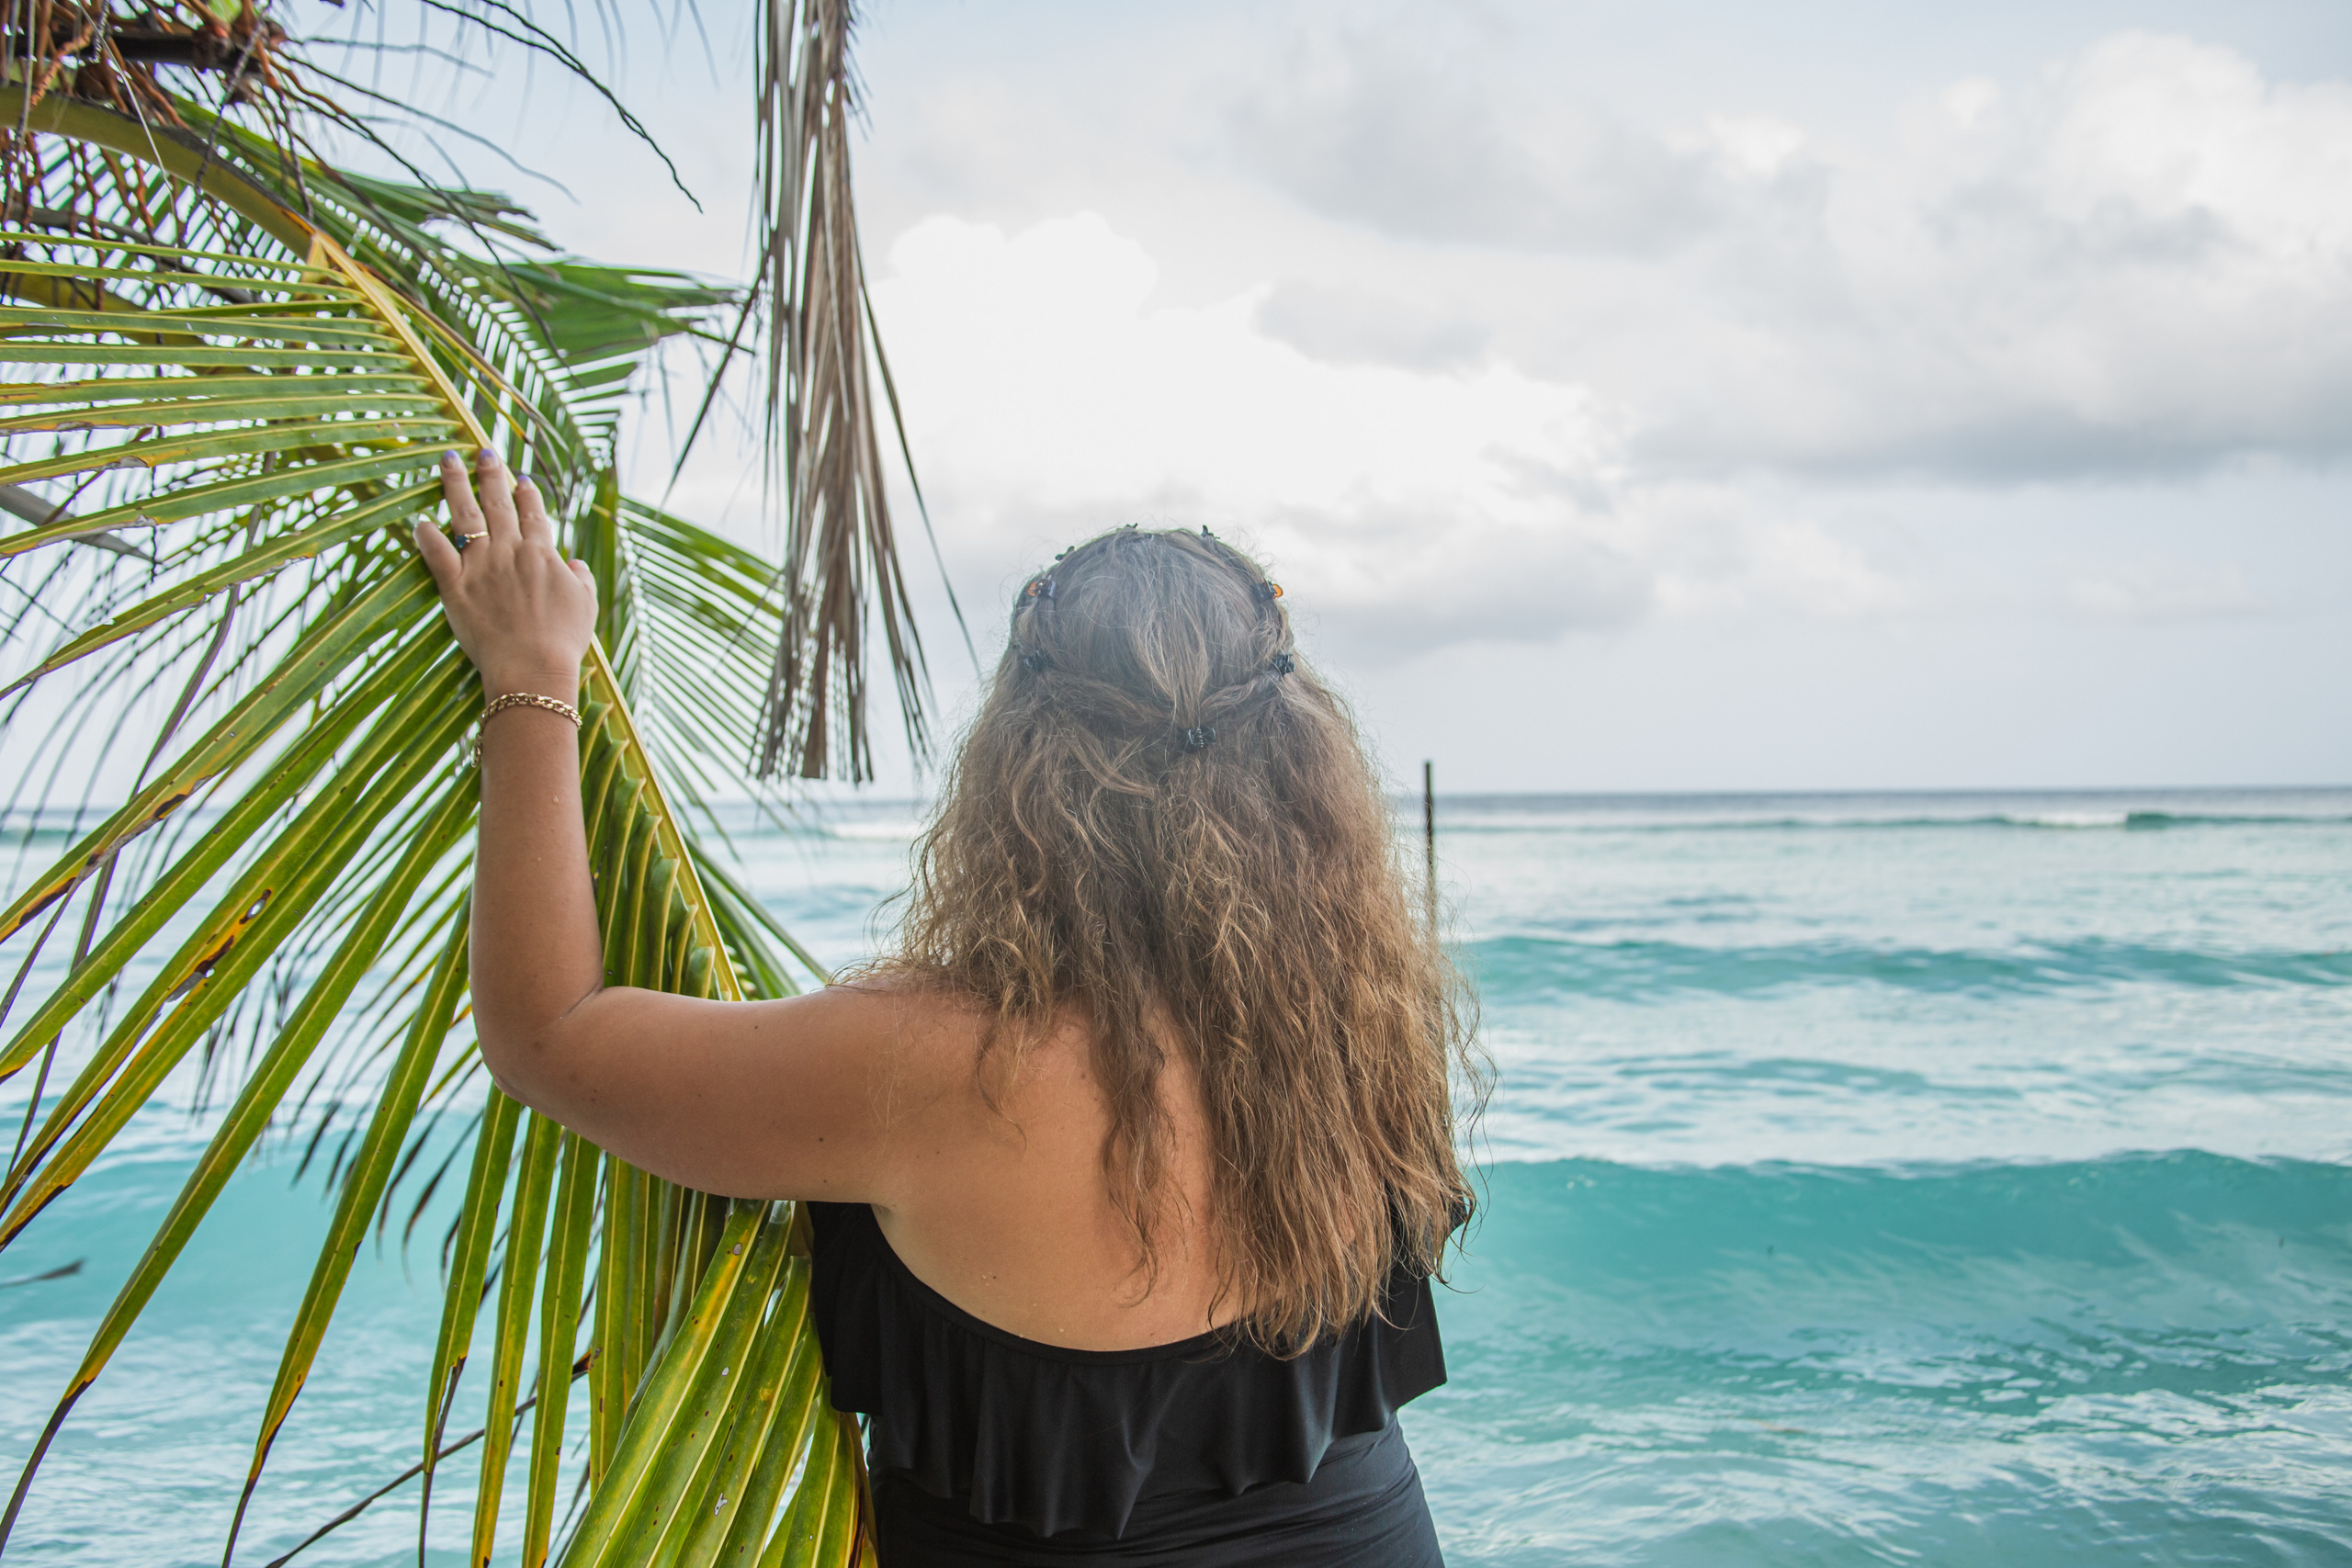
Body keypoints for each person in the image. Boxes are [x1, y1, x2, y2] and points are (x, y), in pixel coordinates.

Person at [414, 448, 1482, 1566]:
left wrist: (531, 677)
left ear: (1019, 765)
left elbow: (547, 1034)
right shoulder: (1361, 1030)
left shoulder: (924, 1064)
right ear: (1299, 764)